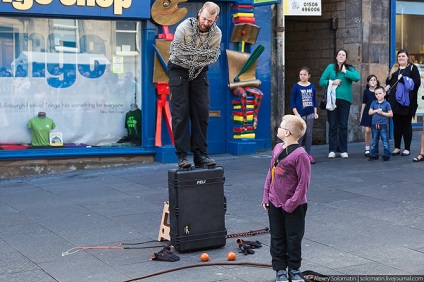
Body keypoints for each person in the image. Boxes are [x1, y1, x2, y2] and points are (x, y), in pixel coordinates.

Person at [168, 1, 222, 169]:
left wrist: (196, 56)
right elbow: (178, 53)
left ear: (216, 19)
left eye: (210, 21)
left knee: (201, 112)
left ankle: (200, 155)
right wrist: (200, 54)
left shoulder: (217, 34)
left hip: (199, 72)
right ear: (199, 13)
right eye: (204, 18)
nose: (205, 23)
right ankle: (182, 157)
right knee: (180, 113)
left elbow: (211, 57)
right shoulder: (183, 28)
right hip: (178, 70)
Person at [262, 115, 310, 282]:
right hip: (275, 203)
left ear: (288, 132)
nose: (278, 128)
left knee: (294, 238)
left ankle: (295, 270)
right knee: (276, 237)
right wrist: (266, 195)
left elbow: (304, 183)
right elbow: (271, 172)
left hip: (294, 206)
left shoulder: (300, 155)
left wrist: (291, 204)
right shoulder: (277, 149)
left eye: (281, 126)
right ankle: (280, 270)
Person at [319, 49, 360, 159]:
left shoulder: (349, 68)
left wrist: (345, 72)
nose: (341, 56)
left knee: (343, 125)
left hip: (345, 100)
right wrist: (332, 82)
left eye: (343, 55)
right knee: (332, 125)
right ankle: (332, 149)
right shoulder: (330, 67)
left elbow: (357, 77)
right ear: (336, 57)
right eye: (339, 55)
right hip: (332, 99)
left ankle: (343, 149)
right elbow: (321, 81)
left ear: (346, 58)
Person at [385, 49, 422, 157]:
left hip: (407, 102)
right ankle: (397, 147)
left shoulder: (412, 68)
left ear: (407, 57)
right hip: (394, 101)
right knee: (396, 125)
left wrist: (404, 80)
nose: (401, 58)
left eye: (403, 56)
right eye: (399, 56)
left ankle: (407, 148)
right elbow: (389, 81)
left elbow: (417, 83)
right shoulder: (394, 68)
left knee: (406, 125)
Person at [289, 66, 318, 164]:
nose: (302, 76)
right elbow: (292, 101)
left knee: (309, 134)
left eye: (305, 74)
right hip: (300, 114)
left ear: (309, 76)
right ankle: (297, 156)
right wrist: (296, 114)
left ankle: (307, 155)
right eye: (301, 74)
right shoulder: (296, 86)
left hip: (310, 113)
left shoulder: (312, 86)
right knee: (300, 135)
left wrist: (315, 112)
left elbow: (314, 100)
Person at [368, 86, 393, 161]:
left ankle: (387, 155)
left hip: (383, 125)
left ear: (384, 93)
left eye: (380, 93)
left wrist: (382, 113)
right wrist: (376, 111)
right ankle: (374, 154)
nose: (378, 95)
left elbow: (391, 114)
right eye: (376, 94)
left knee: (385, 140)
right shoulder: (373, 103)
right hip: (374, 124)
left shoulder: (387, 104)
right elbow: (369, 112)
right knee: (374, 140)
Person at [360, 75, 379, 157]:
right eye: (371, 80)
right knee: (367, 130)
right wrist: (361, 114)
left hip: (377, 112)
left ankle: (374, 148)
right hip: (368, 112)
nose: (373, 81)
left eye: (374, 80)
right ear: (368, 82)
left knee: (376, 131)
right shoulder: (366, 91)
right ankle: (367, 148)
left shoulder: (379, 91)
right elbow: (364, 103)